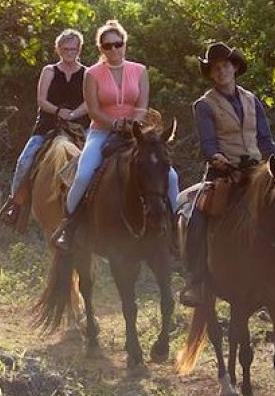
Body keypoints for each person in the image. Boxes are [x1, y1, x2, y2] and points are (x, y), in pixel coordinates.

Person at [179, 41, 275, 307]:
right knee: (197, 214)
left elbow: (265, 139)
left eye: (225, 66)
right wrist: (223, 163)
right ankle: (195, 279)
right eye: (215, 69)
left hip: (257, 170)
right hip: (223, 172)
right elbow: (208, 145)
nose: (220, 72)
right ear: (211, 74)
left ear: (234, 67)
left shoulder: (252, 100)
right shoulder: (203, 105)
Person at [51, 20, 180, 251]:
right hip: (101, 131)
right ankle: (68, 227)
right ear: (100, 48)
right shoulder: (91, 74)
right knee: (83, 174)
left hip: (136, 133)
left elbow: (142, 105)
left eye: (117, 44)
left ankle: (174, 229)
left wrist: (133, 124)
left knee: (170, 177)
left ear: (124, 45)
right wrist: (115, 123)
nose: (113, 49)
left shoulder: (139, 70)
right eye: (107, 46)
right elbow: (93, 109)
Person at [0, 29, 90, 229]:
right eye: (65, 49)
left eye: (73, 49)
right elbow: (41, 100)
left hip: (79, 126)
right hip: (49, 125)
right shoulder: (49, 71)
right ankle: (15, 205)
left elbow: (90, 102)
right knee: (26, 159)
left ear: (79, 49)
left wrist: (73, 114)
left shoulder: (87, 73)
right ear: (58, 49)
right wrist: (59, 111)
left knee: (99, 157)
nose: (70, 52)